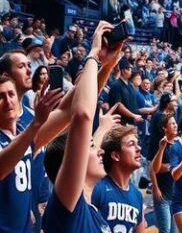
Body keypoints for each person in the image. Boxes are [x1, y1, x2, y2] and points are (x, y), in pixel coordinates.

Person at [41, 21, 122, 232]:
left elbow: (71, 110)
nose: (100, 150)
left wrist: (107, 65)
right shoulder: (68, 204)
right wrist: (93, 54)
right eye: (91, 146)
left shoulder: (91, 210)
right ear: (70, 161)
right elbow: (81, 116)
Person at [0, 73, 62, 233]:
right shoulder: (30, 131)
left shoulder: (24, 131)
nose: (7, 101)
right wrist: (36, 123)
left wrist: (99, 60)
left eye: (11, 94)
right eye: (0, 97)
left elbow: (68, 111)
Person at [91, 125, 146, 233]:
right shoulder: (97, 189)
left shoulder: (137, 195)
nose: (139, 148)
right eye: (131, 144)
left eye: (137, 144)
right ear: (116, 155)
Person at [150, 113, 179, 233]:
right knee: (165, 229)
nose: (175, 125)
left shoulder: (179, 144)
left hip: (176, 194)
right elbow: (152, 169)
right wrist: (155, 188)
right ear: (164, 128)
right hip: (163, 194)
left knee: (174, 230)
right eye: (172, 123)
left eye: (175, 123)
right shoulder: (160, 144)